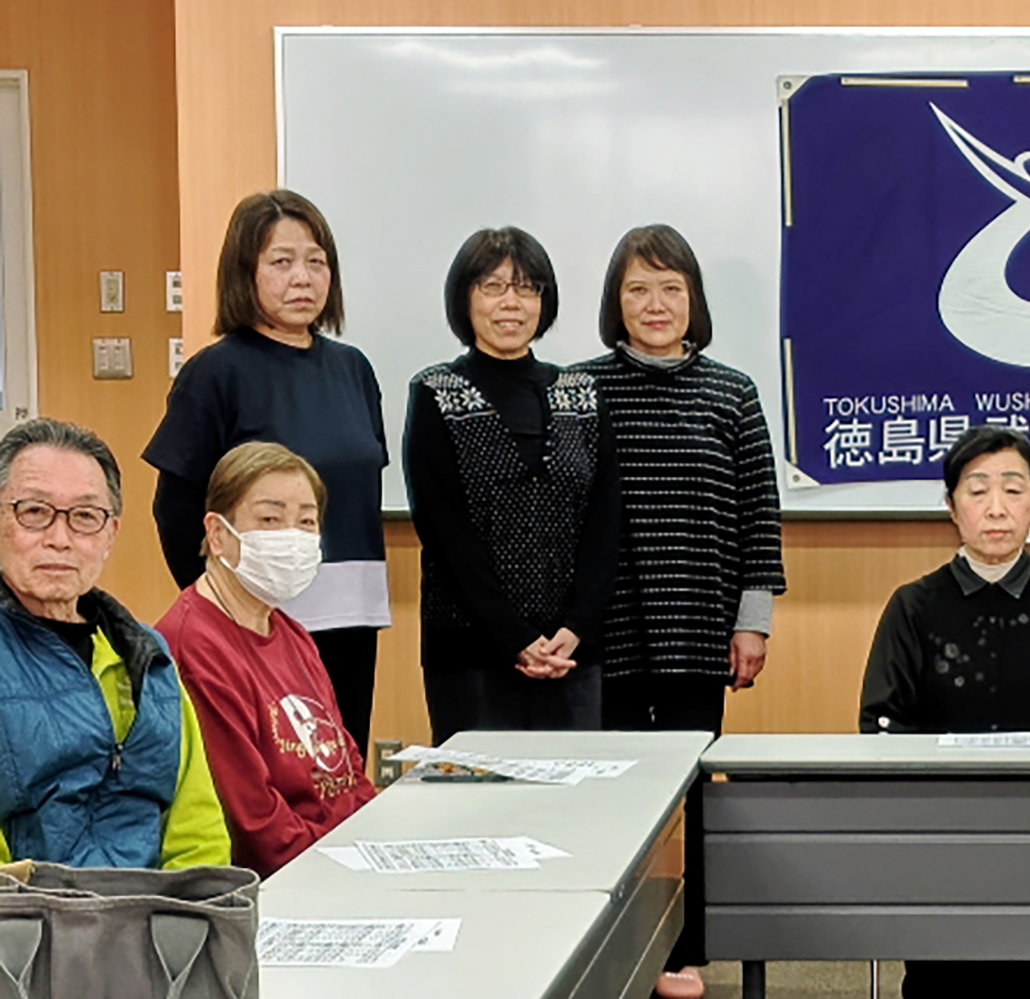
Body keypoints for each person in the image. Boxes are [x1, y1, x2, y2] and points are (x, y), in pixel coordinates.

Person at [573, 226, 786, 999]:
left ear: (693, 299)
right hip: (608, 634)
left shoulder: (733, 392)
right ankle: (608, 946)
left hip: (699, 627)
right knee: (611, 793)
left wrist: (752, 620)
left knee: (688, 792)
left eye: (671, 288)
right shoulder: (580, 389)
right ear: (615, 301)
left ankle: (680, 949)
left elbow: (759, 515)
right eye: (638, 288)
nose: (655, 304)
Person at [859, 425, 1030, 999]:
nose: (996, 508)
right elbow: (882, 725)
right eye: (978, 490)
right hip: (948, 840)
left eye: (1013, 489)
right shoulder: (914, 607)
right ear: (951, 507)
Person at [144, 189, 390, 752]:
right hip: (256, 619)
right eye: (281, 262)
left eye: (316, 261)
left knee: (339, 764)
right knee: (267, 766)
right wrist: (223, 606)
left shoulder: (353, 369)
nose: (302, 277)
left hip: (351, 611)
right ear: (245, 272)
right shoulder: (215, 373)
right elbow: (176, 510)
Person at [405, 227, 618, 743]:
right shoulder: (436, 392)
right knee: (480, 791)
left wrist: (574, 629)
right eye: (493, 287)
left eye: (526, 288)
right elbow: (444, 531)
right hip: (471, 652)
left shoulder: (582, 394)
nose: (511, 303)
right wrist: (515, 637)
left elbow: (605, 524)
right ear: (465, 298)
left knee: (577, 790)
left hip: (572, 654)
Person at [0, 418, 230, 869]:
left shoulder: (149, 657)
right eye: (34, 512)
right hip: (34, 911)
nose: (60, 539)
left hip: (157, 911)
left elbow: (198, 833)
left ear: (110, 535)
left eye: (85, 517)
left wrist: (190, 905)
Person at [157, 441, 376, 877]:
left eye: (306, 522)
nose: (291, 537)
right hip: (284, 880)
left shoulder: (291, 634)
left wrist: (377, 836)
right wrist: (343, 867)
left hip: (340, 861)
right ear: (218, 534)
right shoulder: (193, 644)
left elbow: (348, 770)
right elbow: (253, 823)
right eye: (270, 520)